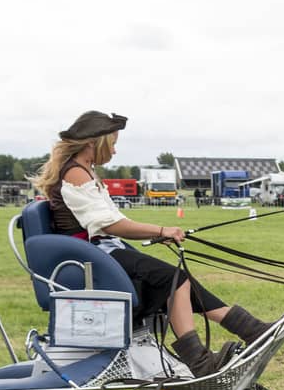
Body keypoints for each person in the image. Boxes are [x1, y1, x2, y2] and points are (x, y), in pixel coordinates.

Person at [33, 110, 271, 375]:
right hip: (94, 255)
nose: (114, 151)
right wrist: (161, 229)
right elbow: (109, 224)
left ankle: (252, 329)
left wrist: (155, 233)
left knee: (180, 281)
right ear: (94, 142)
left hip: (103, 249)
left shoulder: (84, 171)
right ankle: (202, 361)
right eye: (112, 143)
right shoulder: (76, 173)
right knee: (175, 279)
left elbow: (113, 220)